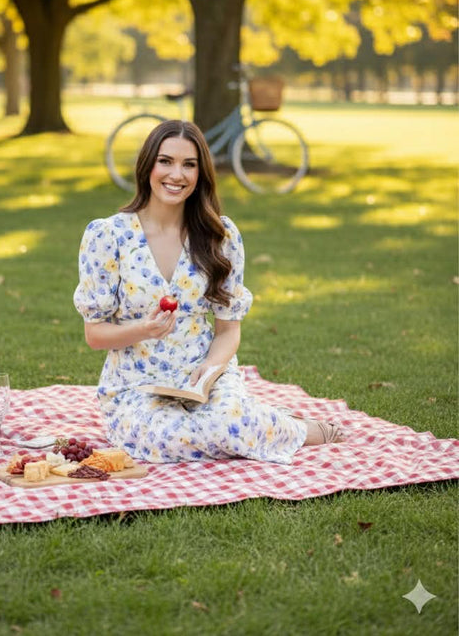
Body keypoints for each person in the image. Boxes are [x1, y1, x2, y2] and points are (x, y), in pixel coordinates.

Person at [73, 120, 344, 464]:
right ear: (147, 166)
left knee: (226, 422)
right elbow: (94, 335)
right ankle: (273, 425)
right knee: (165, 440)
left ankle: (293, 428)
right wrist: (144, 330)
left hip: (206, 372)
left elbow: (228, 330)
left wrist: (210, 370)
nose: (177, 174)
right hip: (136, 383)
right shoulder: (108, 236)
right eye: (166, 161)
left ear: (201, 173)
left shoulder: (220, 236)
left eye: (189, 164)